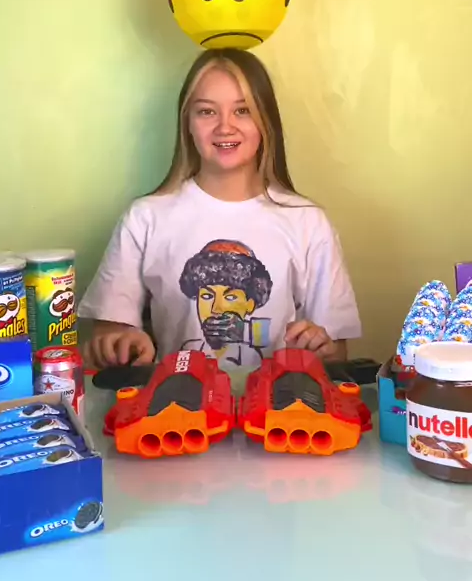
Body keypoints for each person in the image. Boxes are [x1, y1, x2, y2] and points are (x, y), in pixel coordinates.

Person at [78, 48, 361, 370]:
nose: (225, 127)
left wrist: (320, 348)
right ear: (187, 123)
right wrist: (122, 344)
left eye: (242, 110)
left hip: (279, 400)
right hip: (176, 400)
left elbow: (336, 354)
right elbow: (109, 335)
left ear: (266, 121)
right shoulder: (144, 219)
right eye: (207, 112)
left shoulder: (308, 222)